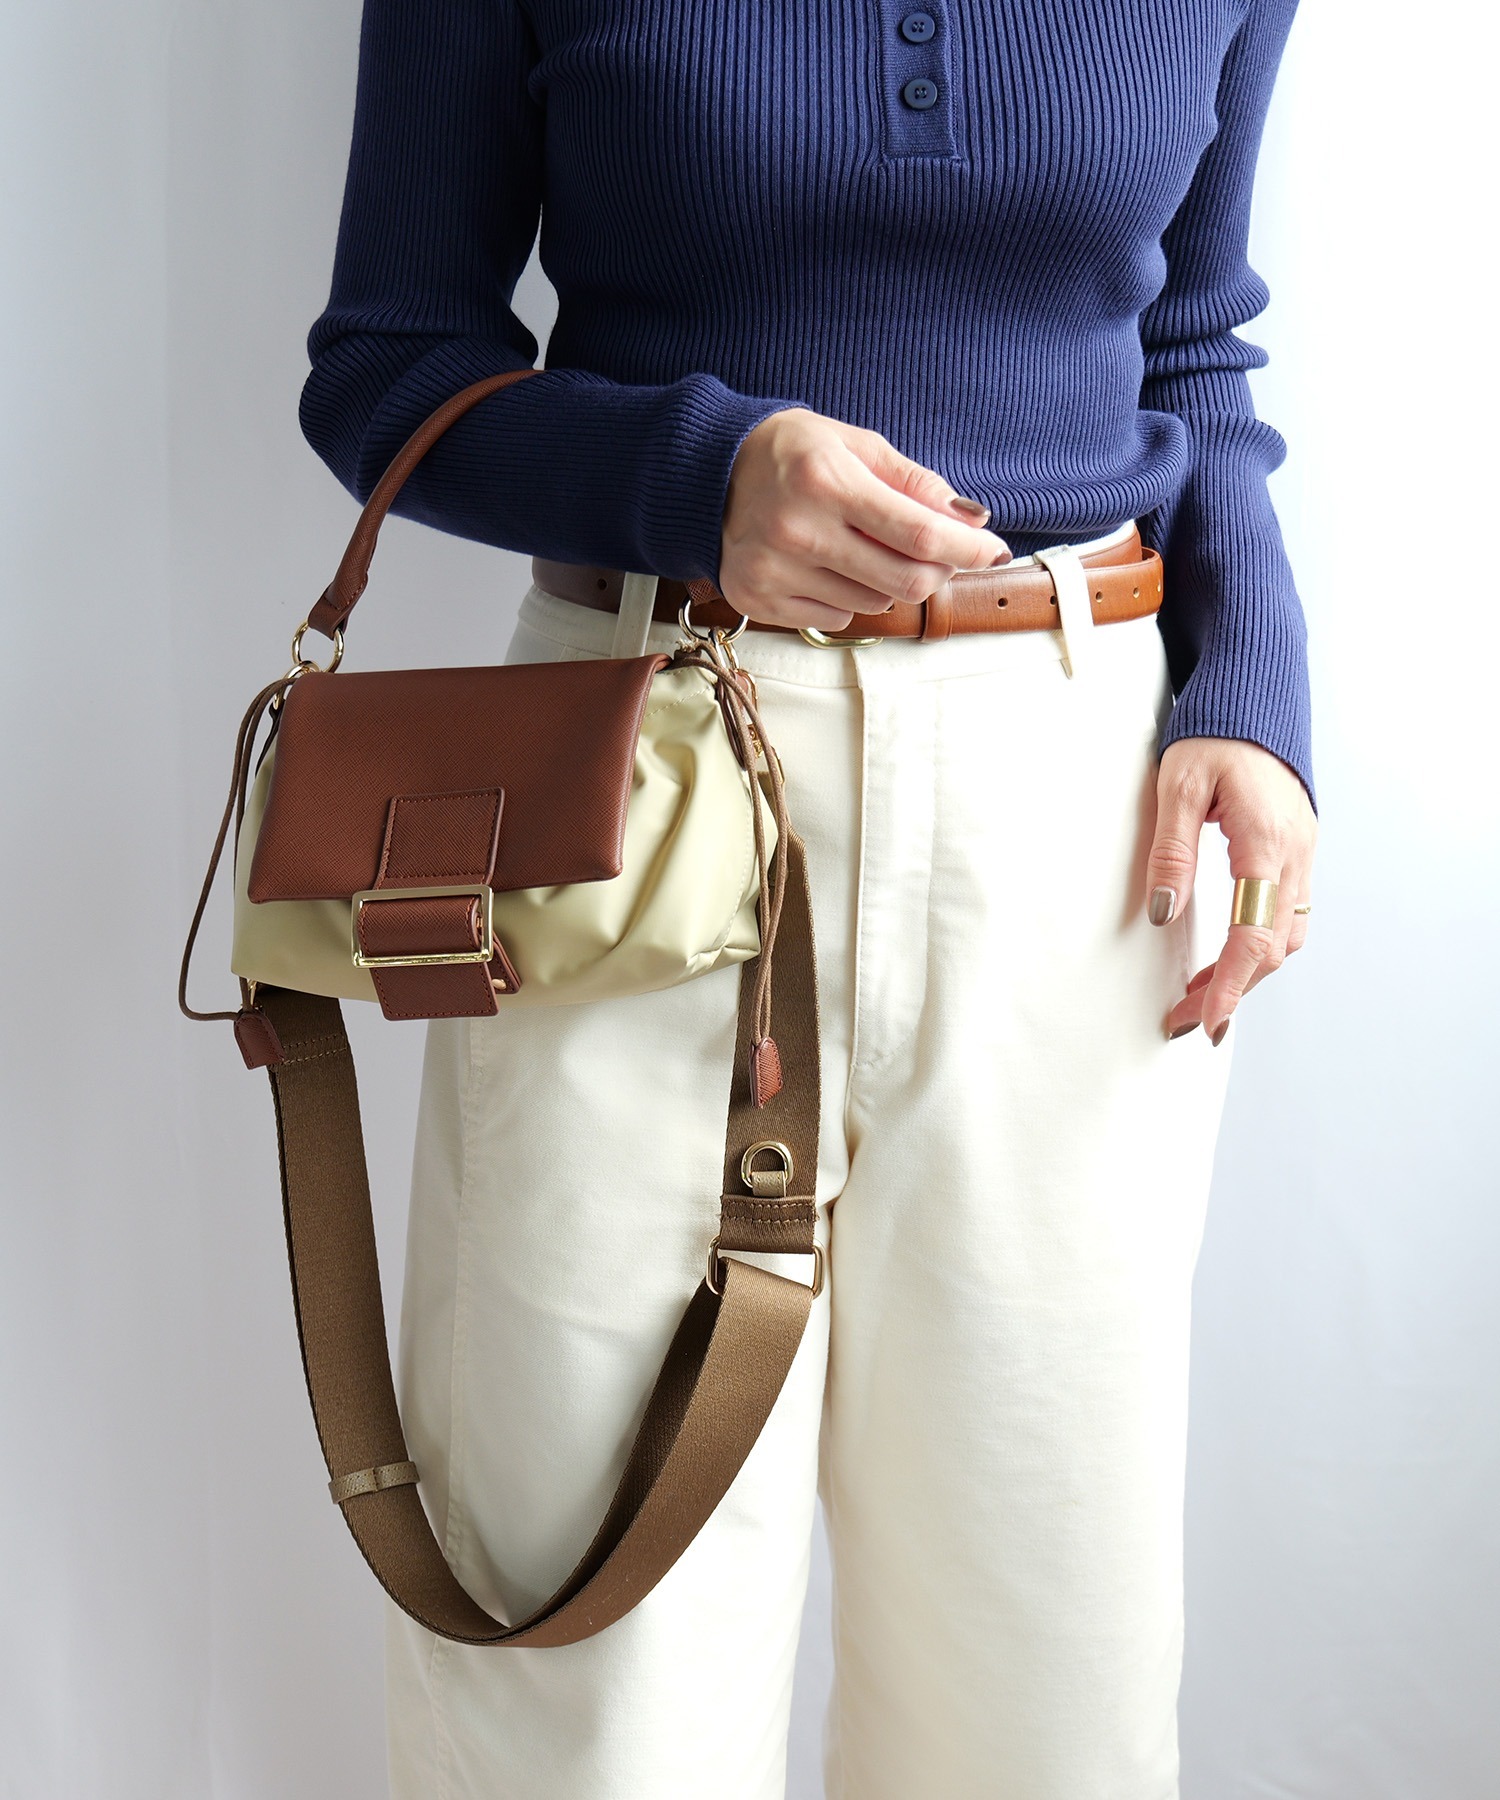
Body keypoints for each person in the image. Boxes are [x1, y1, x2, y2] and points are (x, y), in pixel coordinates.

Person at [298, 1, 1319, 1794]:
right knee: (589, 1686)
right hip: (640, 776)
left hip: (1081, 812)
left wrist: (1255, 692)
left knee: (1042, 1687)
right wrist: (696, 477)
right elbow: (389, 369)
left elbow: (1190, 343)